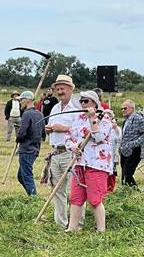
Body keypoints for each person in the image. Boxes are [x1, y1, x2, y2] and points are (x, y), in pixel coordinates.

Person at [65, 91, 114, 232]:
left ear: (94, 102)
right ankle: (72, 228)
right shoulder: (78, 118)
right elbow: (68, 137)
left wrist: (92, 118)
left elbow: (99, 137)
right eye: (81, 101)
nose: (82, 104)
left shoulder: (104, 118)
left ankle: (101, 230)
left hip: (97, 164)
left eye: (86, 101)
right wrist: (73, 147)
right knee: (75, 197)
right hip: (80, 162)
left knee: (95, 199)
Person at [44, 74, 81, 229]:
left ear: (70, 89)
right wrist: (48, 129)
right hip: (56, 153)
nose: (59, 91)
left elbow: (82, 130)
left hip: (70, 153)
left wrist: (64, 128)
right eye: (57, 88)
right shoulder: (55, 108)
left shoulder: (77, 108)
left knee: (76, 190)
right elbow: (52, 126)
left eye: (62, 88)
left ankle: (77, 224)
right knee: (57, 189)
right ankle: (61, 223)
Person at [15, 91, 44, 195]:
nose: (20, 102)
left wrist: (18, 138)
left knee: (26, 176)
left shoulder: (26, 114)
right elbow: (43, 134)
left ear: (27, 100)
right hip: (35, 149)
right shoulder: (40, 114)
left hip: (26, 149)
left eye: (21, 100)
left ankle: (33, 198)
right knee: (20, 176)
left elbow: (22, 133)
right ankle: (30, 194)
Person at [119, 99, 144, 187]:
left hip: (134, 151)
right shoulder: (126, 120)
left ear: (132, 108)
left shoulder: (138, 118)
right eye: (121, 108)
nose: (122, 110)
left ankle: (135, 193)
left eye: (125, 108)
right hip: (124, 150)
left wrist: (134, 144)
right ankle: (125, 193)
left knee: (127, 174)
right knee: (123, 175)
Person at [103, 109, 120, 193]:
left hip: (112, 156)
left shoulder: (115, 128)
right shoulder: (101, 127)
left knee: (112, 173)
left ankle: (110, 191)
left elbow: (119, 137)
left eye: (109, 116)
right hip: (102, 156)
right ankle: (103, 191)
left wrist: (115, 128)